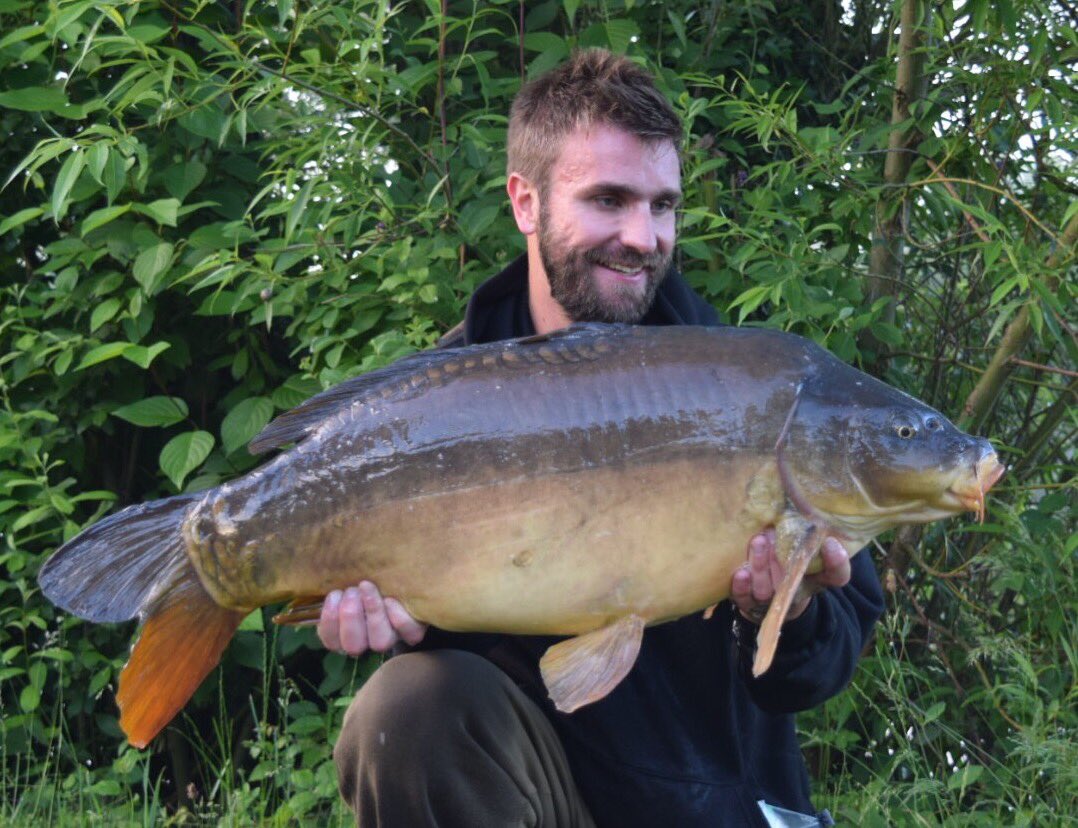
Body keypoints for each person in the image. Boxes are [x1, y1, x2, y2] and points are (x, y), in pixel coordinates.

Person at [319, 49, 884, 827]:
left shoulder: (749, 387)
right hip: (543, 796)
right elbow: (449, 699)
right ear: (525, 201)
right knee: (409, 708)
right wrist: (387, 614)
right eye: (610, 199)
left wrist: (780, 614)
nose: (643, 236)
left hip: (712, 811)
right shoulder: (440, 403)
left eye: (662, 206)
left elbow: (816, 673)